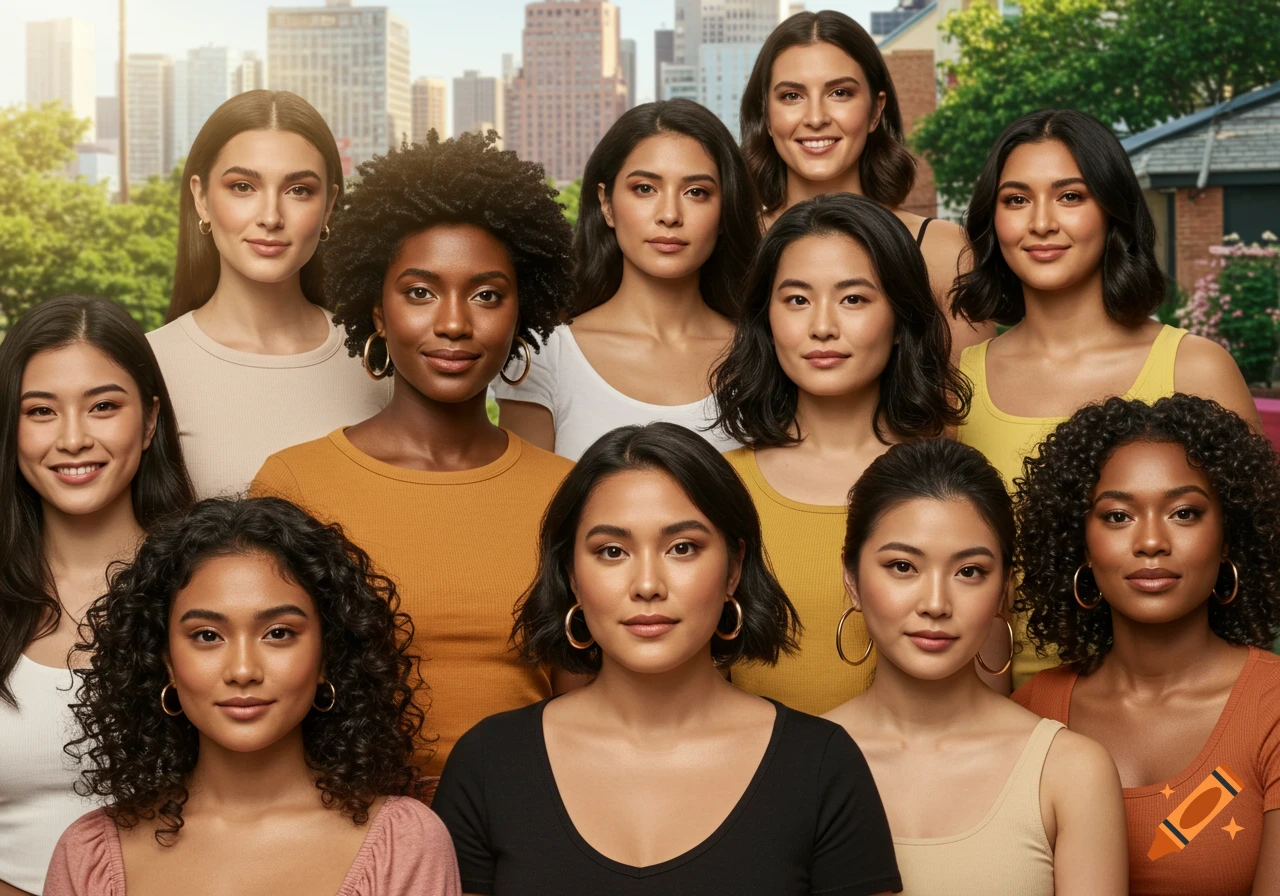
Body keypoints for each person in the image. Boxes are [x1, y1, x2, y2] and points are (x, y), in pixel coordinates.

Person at [433, 423, 902, 895]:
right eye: (612, 551)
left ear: (734, 568)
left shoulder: (820, 765)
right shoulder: (490, 763)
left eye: (682, 548)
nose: (647, 584)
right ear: (572, 576)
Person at [251, 131, 576, 779]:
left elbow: (589, 708)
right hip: (350, 837)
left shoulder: (568, 492)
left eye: (486, 295)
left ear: (522, 312)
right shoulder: (295, 484)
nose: (454, 323)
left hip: (528, 831)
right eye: (420, 292)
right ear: (377, 310)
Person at [951, 108, 1259, 686]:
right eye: (1016, 200)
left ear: (1112, 211)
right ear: (993, 221)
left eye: (1070, 196)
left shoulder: (1195, 367)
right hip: (1006, 712)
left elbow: (1253, 557)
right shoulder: (959, 388)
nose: (1041, 222)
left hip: (1177, 707)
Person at [44, 497, 461, 895]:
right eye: (207, 636)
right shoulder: (88, 855)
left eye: (278, 633)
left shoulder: (403, 844)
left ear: (327, 655)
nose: (243, 671)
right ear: (165, 660)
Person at [825, 439, 1127, 895]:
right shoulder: (798, 765)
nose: (935, 604)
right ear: (852, 579)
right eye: (903, 566)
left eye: (969, 571)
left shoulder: (1070, 771)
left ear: (1004, 587)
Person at [1012, 395, 1280, 895]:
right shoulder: (1031, 714)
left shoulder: (1273, 708)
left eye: (1184, 512)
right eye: (1117, 516)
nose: (1151, 541)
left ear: (1227, 538)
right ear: (1082, 546)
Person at [712, 193, 969, 714]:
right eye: (797, 300)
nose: (822, 326)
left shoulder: (954, 480)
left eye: (853, 299)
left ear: (900, 319)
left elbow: (986, 701)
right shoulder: (716, 489)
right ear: (766, 320)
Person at [0, 295, 194, 896]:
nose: (74, 439)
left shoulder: (211, 583)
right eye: (41, 411)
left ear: (151, 419)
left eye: (104, 406)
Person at [148, 89, 391, 499]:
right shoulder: (147, 366)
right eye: (243, 186)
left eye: (299, 190)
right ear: (201, 197)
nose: (271, 217)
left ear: (329, 204)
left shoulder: (379, 360)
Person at [496, 100, 758, 460]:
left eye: (696, 192)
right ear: (606, 203)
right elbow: (523, 511)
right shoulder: (545, 356)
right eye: (645, 189)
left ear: (725, 208)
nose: (669, 215)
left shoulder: (763, 354)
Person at [739, 10, 992, 358]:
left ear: (876, 110)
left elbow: (968, 403)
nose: (815, 118)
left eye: (840, 92)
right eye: (791, 96)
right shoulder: (734, 247)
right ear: (765, 115)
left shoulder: (946, 254)